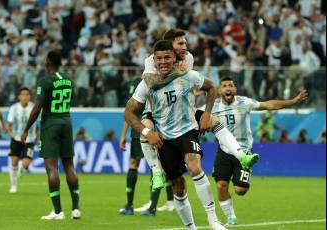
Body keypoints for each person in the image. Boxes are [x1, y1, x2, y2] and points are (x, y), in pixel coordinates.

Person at [137, 28, 258, 212]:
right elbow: (151, 82)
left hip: (182, 112)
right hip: (157, 112)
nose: (186, 47)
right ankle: (156, 171)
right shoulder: (151, 60)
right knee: (145, 129)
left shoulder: (189, 58)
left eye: (185, 43)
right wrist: (177, 73)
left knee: (214, 121)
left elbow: (190, 83)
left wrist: (206, 113)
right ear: (170, 46)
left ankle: (242, 156)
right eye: (181, 44)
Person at [124, 40, 227, 230]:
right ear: (154, 60)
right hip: (165, 139)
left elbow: (212, 88)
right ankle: (191, 228)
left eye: (167, 57)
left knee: (195, 167)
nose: (163, 62)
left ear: (174, 58)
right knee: (178, 188)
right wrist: (148, 132)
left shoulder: (187, 75)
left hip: (188, 131)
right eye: (159, 58)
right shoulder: (147, 84)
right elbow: (128, 113)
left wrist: (206, 113)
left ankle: (213, 219)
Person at [211, 77, 307, 226]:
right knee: (221, 185)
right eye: (224, 86)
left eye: (231, 85)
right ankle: (231, 217)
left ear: (235, 89)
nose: (228, 88)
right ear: (219, 90)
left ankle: (245, 171)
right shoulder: (212, 106)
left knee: (240, 190)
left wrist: (293, 101)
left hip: (244, 151)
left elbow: (269, 104)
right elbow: (195, 116)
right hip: (223, 151)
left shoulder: (244, 103)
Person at [21, 50, 80, 220]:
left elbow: (38, 107)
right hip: (66, 122)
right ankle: (76, 209)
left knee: (52, 167)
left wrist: (26, 129)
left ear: (47, 62)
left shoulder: (45, 80)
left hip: (51, 124)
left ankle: (58, 211)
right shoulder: (68, 80)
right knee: (69, 165)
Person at [118, 73, 174, 217]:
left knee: (152, 167)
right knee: (151, 166)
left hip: (150, 130)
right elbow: (130, 110)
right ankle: (142, 206)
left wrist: (124, 135)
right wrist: (123, 134)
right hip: (143, 129)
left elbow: (129, 109)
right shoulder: (143, 81)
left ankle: (147, 207)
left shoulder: (149, 81)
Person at [5, 87, 37, 193]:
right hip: (16, 138)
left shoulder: (34, 108)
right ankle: (13, 186)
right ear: (19, 96)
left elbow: (41, 121)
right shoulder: (14, 108)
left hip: (30, 139)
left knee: (26, 164)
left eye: (27, 94)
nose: (25, 97)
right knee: (14, 161)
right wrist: (11, 134)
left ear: (29, 96)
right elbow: (8, 125)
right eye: (23, 94)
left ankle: (22, 167)